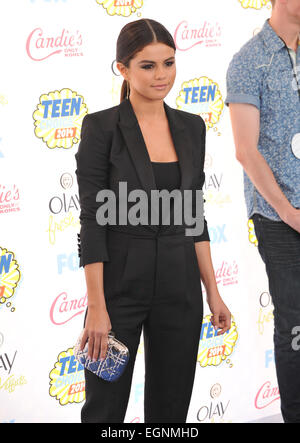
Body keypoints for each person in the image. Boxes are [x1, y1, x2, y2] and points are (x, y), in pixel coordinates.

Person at [75, 18, 231, 424]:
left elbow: (193, 214)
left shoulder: (192, 127)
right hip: (120, 285)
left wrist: (212, 291)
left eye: (169, 63)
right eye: (147, 65)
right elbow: (92, 221)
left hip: (180, 285)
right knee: (104, 410)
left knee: (170, 411)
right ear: (122, 69)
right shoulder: (101, 128)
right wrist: (96, 306)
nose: (161, 75)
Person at [225, 0, 300, 424]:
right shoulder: (249, 60)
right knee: (294, 325)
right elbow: (245, 151)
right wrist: (290, 214)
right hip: (278, 216)